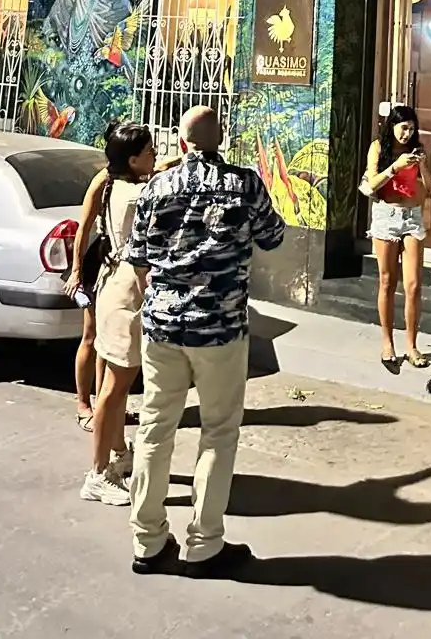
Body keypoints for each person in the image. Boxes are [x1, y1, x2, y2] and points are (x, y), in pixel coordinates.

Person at [124, 104, 284, 577]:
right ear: (221, 137)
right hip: (220, 330)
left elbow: (138, 257)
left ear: (181, 141)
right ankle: (204, 544)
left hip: (163, 327)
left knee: (155, 427)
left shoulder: (155, 187)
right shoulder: (244, 185)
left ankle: (147, 541)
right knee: (218, 431)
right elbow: (273, 237)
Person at [79, 122, 157, 506]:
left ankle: (118, 454)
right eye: (150, 151)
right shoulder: (138, 195)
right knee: (113, 389)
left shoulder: (115, 183)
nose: (155, 156)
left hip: (114, 286)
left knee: (117, 386)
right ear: (133, 160)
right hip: (126, 294)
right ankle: (97, 473)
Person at [363, 102, 431, 371]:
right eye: (403, 128)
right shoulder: (378, 148)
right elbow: (371, 183)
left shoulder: (416, 149)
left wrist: (423, 166)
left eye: (412, 129)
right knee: (387, 281)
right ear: (392, 126)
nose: (407, 134)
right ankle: (387, 343)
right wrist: (395, 166)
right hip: (386, 216)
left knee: (413, 285)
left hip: (412, 217)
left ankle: (412, 346)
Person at [65, 164, 110, 430]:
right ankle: (83, 405)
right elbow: (84, 228)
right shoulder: (103, 181)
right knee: (92, 336)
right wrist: (76, 272)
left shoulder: (139, 176)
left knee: (112, 342)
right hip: (100, 262)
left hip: (123, 264)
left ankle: (107, 406)